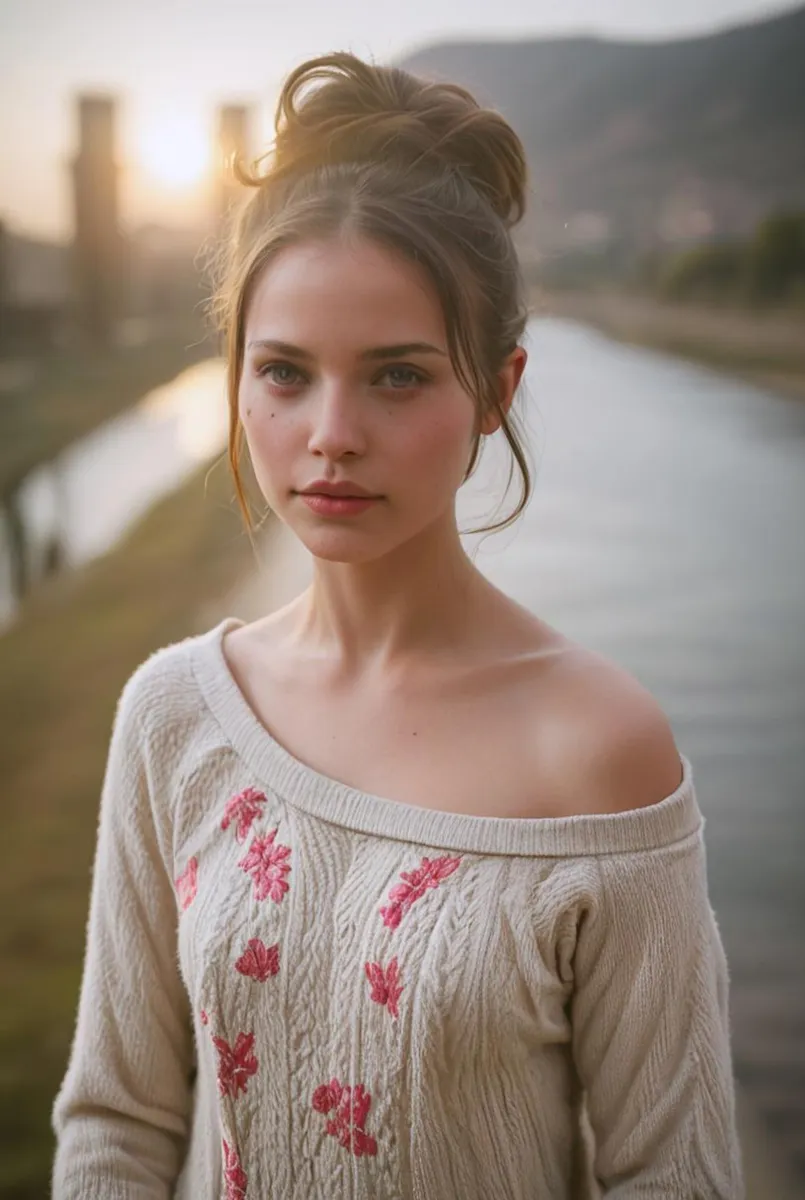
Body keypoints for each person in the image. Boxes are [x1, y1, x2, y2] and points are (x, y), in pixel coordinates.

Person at [51, 51, 745, 1199]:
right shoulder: (176, 716)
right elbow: (117, 1123)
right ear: (234, 378)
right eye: (283, 372)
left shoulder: (601, 749)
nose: (330, 434)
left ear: (496, 387)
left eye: (396, 377)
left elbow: (674, 1173)